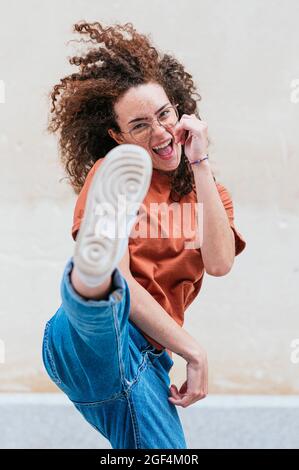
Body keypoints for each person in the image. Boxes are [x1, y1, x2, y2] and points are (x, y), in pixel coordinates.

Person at [42, 20, 246, 449]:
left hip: (146, 361)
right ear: (117, 137)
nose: (159, 133)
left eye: (164, 115)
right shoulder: (113, 174)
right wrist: (195, 351)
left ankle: (93, 276)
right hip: (89, 334)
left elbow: (220, 263)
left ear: (181, 112)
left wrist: (201, 163)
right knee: (107, 298)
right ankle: (92, 275)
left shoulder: (213, 197)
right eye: (139, 126)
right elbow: (132, 289)